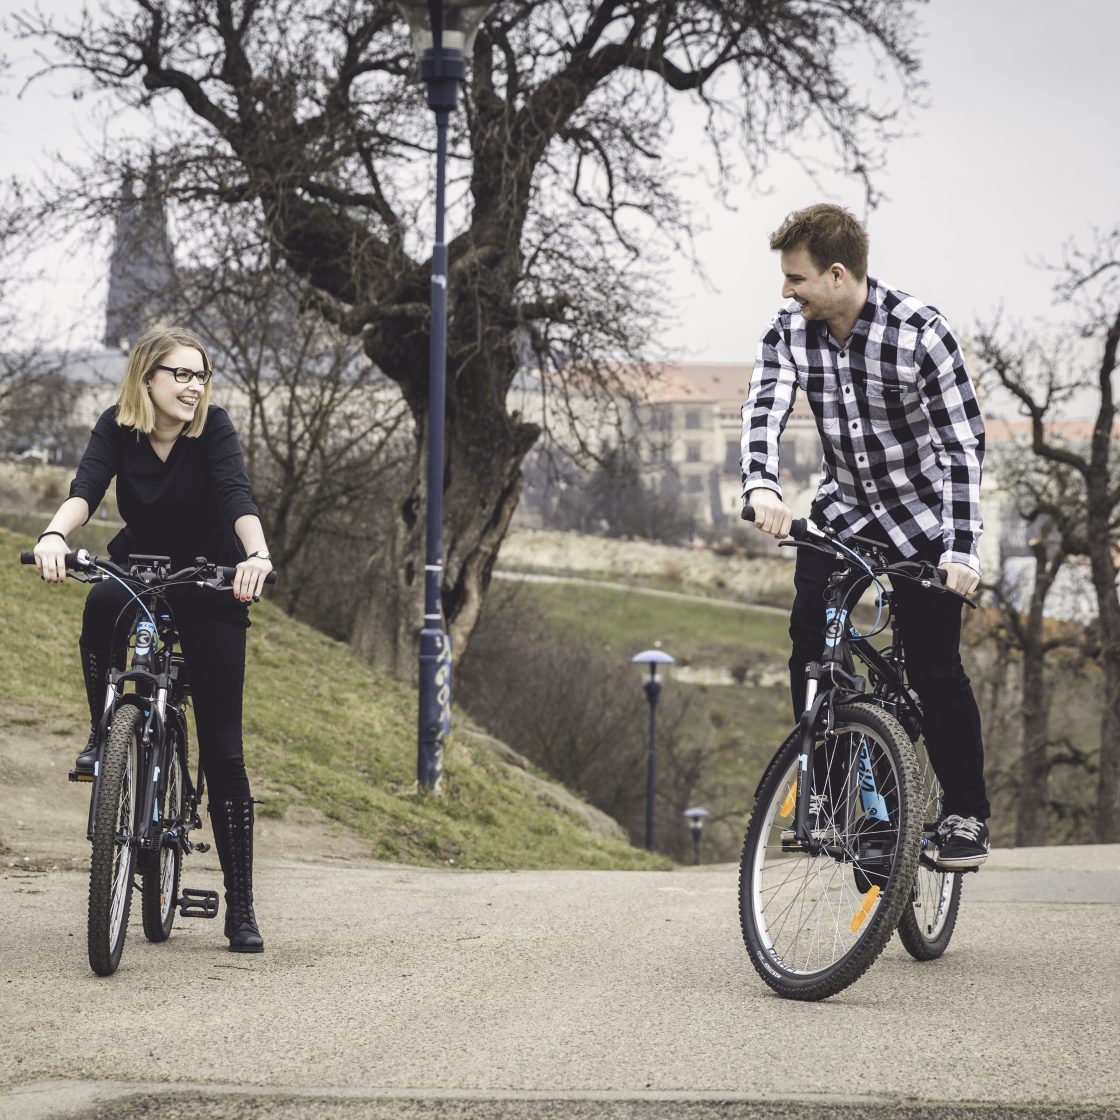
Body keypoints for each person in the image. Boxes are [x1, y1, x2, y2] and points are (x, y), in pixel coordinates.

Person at [740, 203, 990, 870]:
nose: (786, 291)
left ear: (838, 274)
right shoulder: (791, 331)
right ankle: (838, 796)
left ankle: (966, 812)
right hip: (844, 513)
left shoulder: (919, 333)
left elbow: (962, 449)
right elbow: (765, 403)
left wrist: (962, 551)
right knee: (811, 646)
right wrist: (761, 485)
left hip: (924, 524)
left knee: (936, 669)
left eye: (796, 278)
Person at [32, 323, 273, 951]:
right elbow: (85, 490)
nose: (194, 386)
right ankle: (103, 734)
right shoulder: (117, 426)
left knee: (223, 749)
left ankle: (242, 905)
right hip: (141, 568)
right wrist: (55, 536)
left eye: (200, 375)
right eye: (181, 374)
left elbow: (236, 495)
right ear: (148, 378)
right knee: (100, 603)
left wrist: (257, 555)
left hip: (212, 578)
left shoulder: (212, 427)